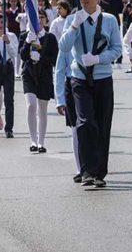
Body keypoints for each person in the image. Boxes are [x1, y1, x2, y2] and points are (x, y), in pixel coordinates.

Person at [59, 0, 123, 187]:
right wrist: (74, 27)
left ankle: (99, 172)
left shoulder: (110, 20)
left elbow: (116, 49)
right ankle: (86, 170)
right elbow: (64, 47)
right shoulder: (73, 19)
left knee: (103, 125)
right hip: (80, 78)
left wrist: (98, 58)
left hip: (103, 78)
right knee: (86, 123)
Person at [20, 11, 59, 153]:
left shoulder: (50, 38)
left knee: (42, 109)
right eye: (36, 18)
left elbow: (55, 59)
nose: (39, 20)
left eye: (42, 17)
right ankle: (33, 140)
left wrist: (41, 58)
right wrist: (27, 42)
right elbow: (23, 56)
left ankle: (41, 142)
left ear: (46, 21)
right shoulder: (25, 36)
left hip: (44, 75)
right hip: (29, 74)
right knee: (31, 105)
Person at [55, 48, 82, 182]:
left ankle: (91, 166)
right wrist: (59, 100)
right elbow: (59, 71)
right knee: (75, 129)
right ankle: (80, 169)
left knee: (90, 127)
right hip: (71, 84)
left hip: (89, 83)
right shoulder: (66, 43)